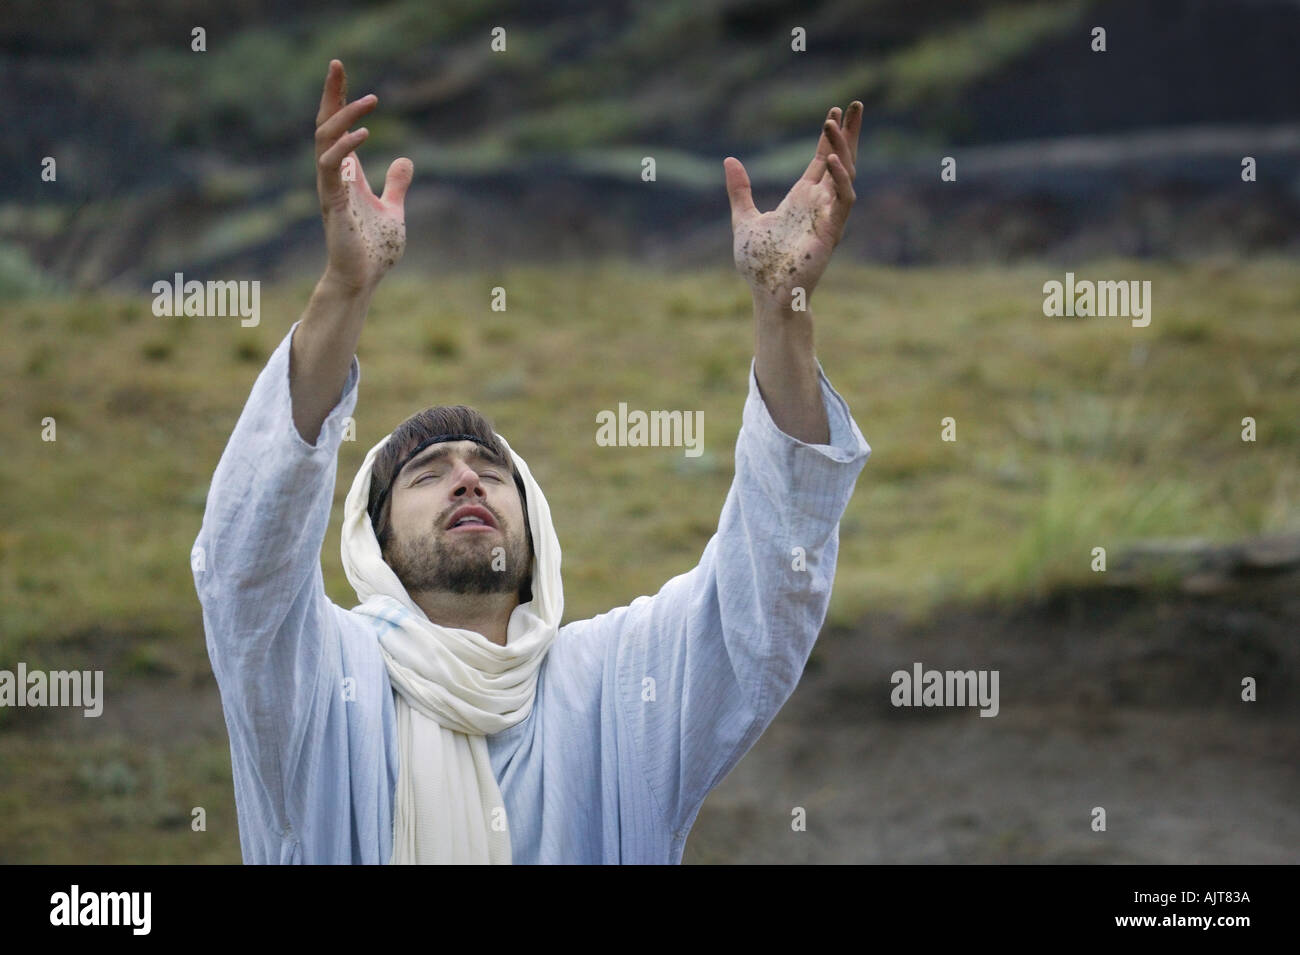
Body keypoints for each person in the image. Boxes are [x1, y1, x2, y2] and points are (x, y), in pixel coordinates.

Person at [192, 59, 871, 864]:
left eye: (489, 468)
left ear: (534, 522)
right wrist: (344, 289)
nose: (466, 476)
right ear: (373, 543)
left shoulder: (615, 690)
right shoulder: (321, 683)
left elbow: (762, 601)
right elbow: (248, 567)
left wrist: (782, 310)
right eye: (426, 472)